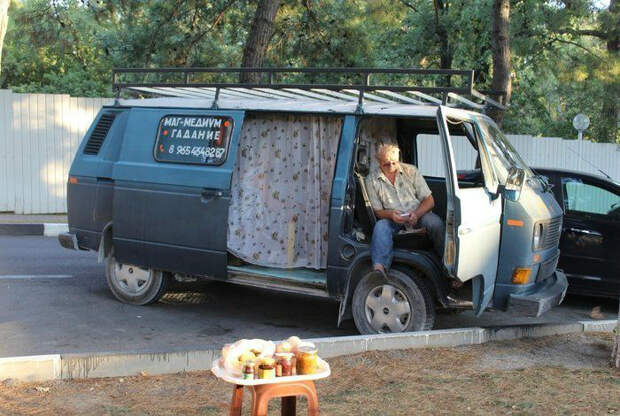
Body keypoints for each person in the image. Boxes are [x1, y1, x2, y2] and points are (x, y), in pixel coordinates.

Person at [365, 143, 445, 276]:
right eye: (386, 164)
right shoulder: (371, 180)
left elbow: (430, 201)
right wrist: (391, 215)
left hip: (418, 214)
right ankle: (379, 269)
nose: (391, 166)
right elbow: (378, 211)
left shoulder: (411, 171)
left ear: (398, 159)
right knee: (380, 226)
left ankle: (448, 267)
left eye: (394, 163)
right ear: (379, 162)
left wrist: (416, 214)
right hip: (394, 219)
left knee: (435, 223)